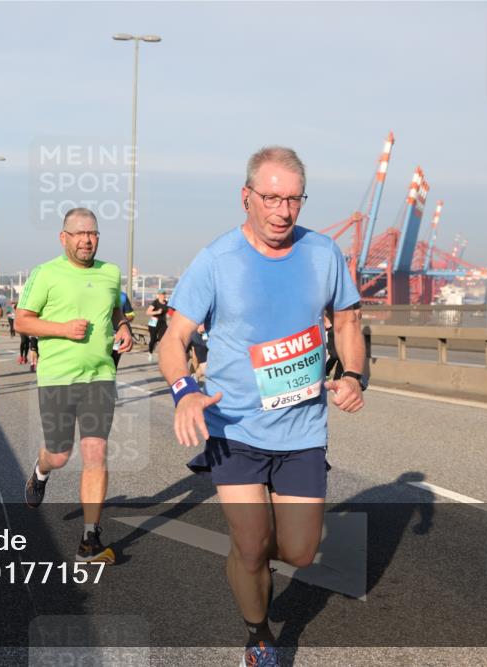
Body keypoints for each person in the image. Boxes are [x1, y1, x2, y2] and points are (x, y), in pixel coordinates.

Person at [158, 146, 365, 667]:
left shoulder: (323, 254)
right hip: (236, 425)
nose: (283, 211)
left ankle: (251, 557)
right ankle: (258, 636)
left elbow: (346, 322)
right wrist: (185, 391)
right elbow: (172, 336)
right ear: (246, 197)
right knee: (252, 546)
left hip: (301, 430)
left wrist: (354, 375)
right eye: (271, 197)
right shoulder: (217, 259)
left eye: (294, 199)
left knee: (298, 552)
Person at [17, 207, 133, 563]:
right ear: (63, 237)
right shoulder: (46, 274)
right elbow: (23, 321)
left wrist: (124, 327)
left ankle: (90, 540)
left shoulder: (110, 273)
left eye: (93, 234)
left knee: (96, 451)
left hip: (100, 376)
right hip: (57, 378)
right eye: (80, 233)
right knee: (60, 454)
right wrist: (64, 329)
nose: (87, 240)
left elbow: (115, 309)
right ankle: (40, 471)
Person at [111, 290, 135, 368]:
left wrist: (122, 321)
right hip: (99, 335)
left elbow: (131, 314)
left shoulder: (122, 296)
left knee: (114, 362)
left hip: (117, 334)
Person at [146, 290, 168, 362]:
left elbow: (170, 312)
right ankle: (150, 352)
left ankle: (162, 355)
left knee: (163, 339)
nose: (163, 296)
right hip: (154, 322)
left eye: (164, 294)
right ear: (158, 295)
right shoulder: (155, 303)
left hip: (163, 323)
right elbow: (148, 312)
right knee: (153, 339)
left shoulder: (167, 303)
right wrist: (157, 312)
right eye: (161, 294)